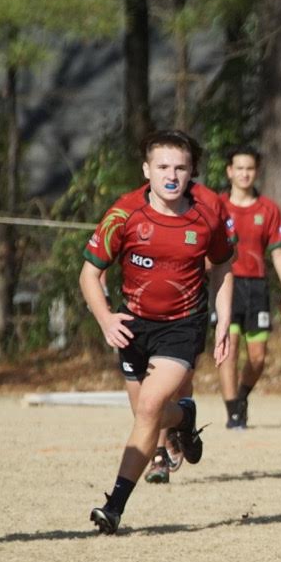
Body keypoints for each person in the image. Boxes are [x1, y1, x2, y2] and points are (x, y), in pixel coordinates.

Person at [80, 129, 236, 533]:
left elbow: (221, 266)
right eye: (163, 166)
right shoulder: (124, 214)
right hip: (132, 324)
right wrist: (106, 318)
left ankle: (114, 506)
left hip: (182, 325)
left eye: (181, 167)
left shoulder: (209, 211)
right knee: (146, 413)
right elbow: (90, 274)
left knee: (149, 407)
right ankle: (184, 416)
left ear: (192, 172)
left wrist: (224, 321)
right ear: (146, 169)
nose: (172, 175)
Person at [218, 146, 281, 430]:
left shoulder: (269, 209)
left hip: (257, 288)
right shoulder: (218, 205)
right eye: (239, 168)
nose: (244, 173)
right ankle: (232, 413)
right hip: (226, 284)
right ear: (229, 171)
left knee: (258, 357)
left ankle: (242, 396)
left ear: (256, 172)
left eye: (249, 168)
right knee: (229, 347)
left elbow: (277, 252)